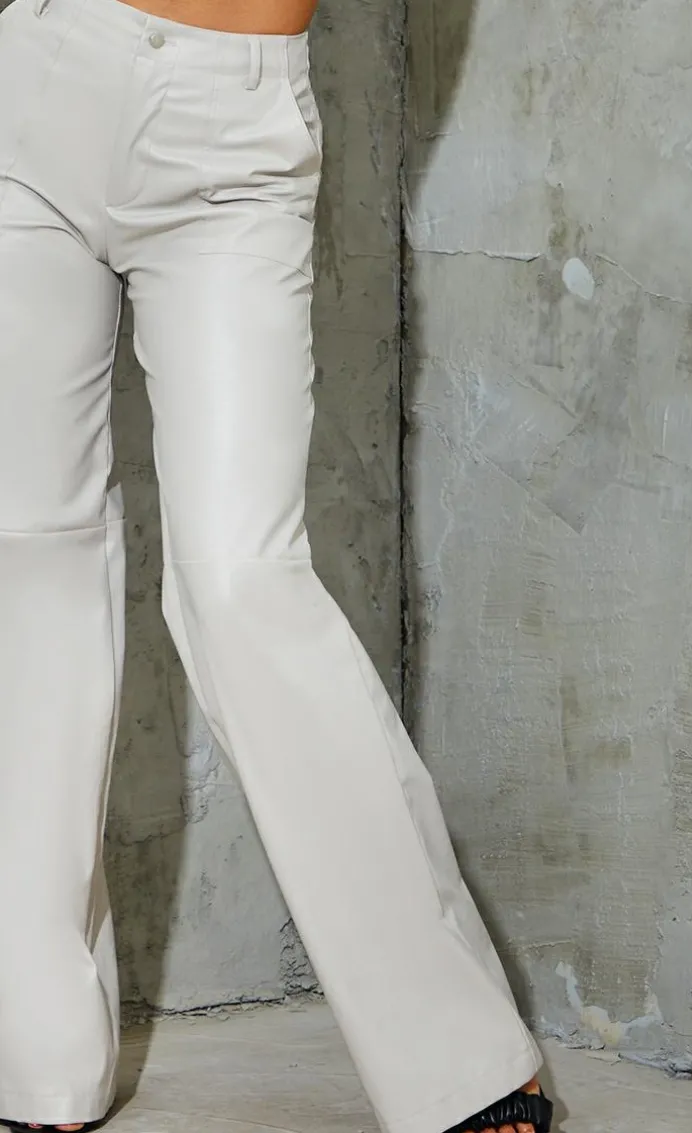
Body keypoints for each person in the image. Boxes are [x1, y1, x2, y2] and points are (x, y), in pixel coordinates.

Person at [0, 0, 553, 1131]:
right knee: (25, 559)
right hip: (36, 76)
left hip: (234, 119)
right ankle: (29, 1055)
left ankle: (457, 1058)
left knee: (242, 578)